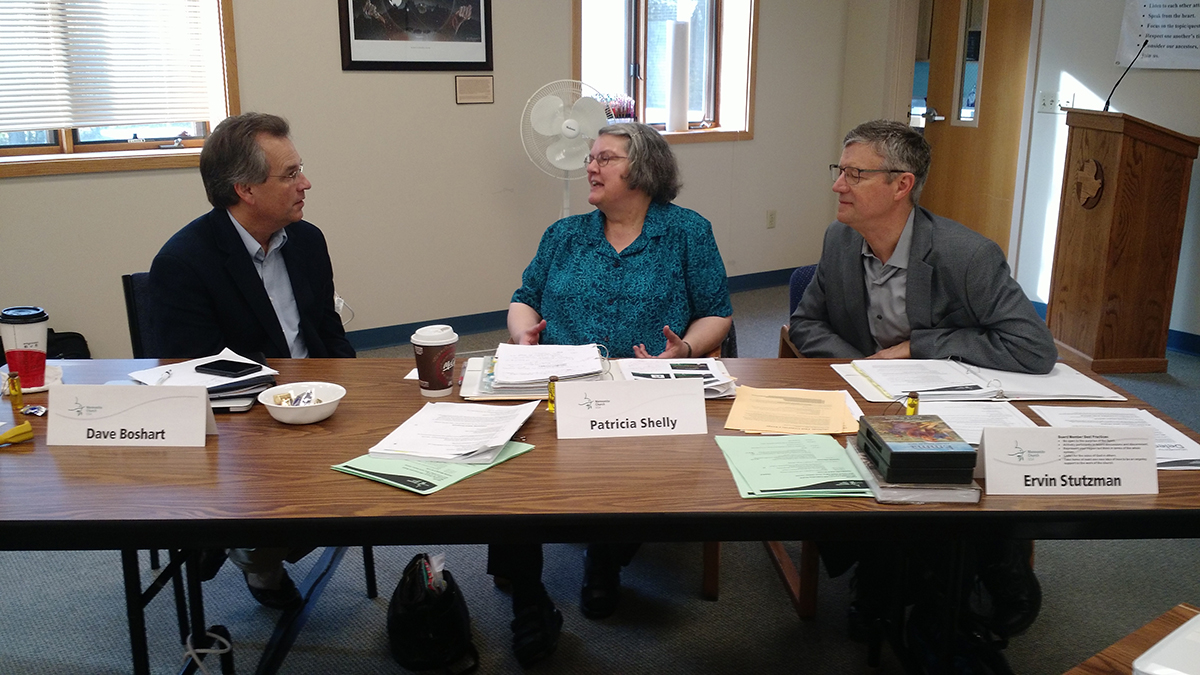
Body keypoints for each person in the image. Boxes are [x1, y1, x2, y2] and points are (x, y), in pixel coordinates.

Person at [789, 119, 1055, 645]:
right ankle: (893, 574)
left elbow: (1033, 348)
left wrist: (920, 345)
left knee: (949, 469)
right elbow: (806, 322)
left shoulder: (966, 254)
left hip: (951, 401)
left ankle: (976, 569)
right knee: (830, 465)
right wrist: (865, 369)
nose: (837, 185)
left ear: (901, 185)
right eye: (839, 171)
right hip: (871, 400)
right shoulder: (841, 240)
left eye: (854, 174)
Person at [495, 122, 732, 666]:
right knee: (509, 471)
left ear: (643, 170)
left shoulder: (687, 232)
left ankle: (604, 555)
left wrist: (686, 349)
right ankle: (530, 602)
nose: (591, 166)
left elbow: (717, 311)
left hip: (646, 392)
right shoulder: (564, 234)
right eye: (591, 158)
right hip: (559, 387)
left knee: (624, 473)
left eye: (605, 158)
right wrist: (522, 331)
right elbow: (523, 297)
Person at [149, 112, 355, 609]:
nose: (306, 183)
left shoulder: (307, 241)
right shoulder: (183, 264)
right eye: (289, 175)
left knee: (370, 490)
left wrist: (363, 394)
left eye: (300, 169)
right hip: (248, 426)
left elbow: (328, 332)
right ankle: (253, 554)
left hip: (318, 405)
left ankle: (242, 542)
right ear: (245, 189)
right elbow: (199, 381)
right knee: (280, 501)